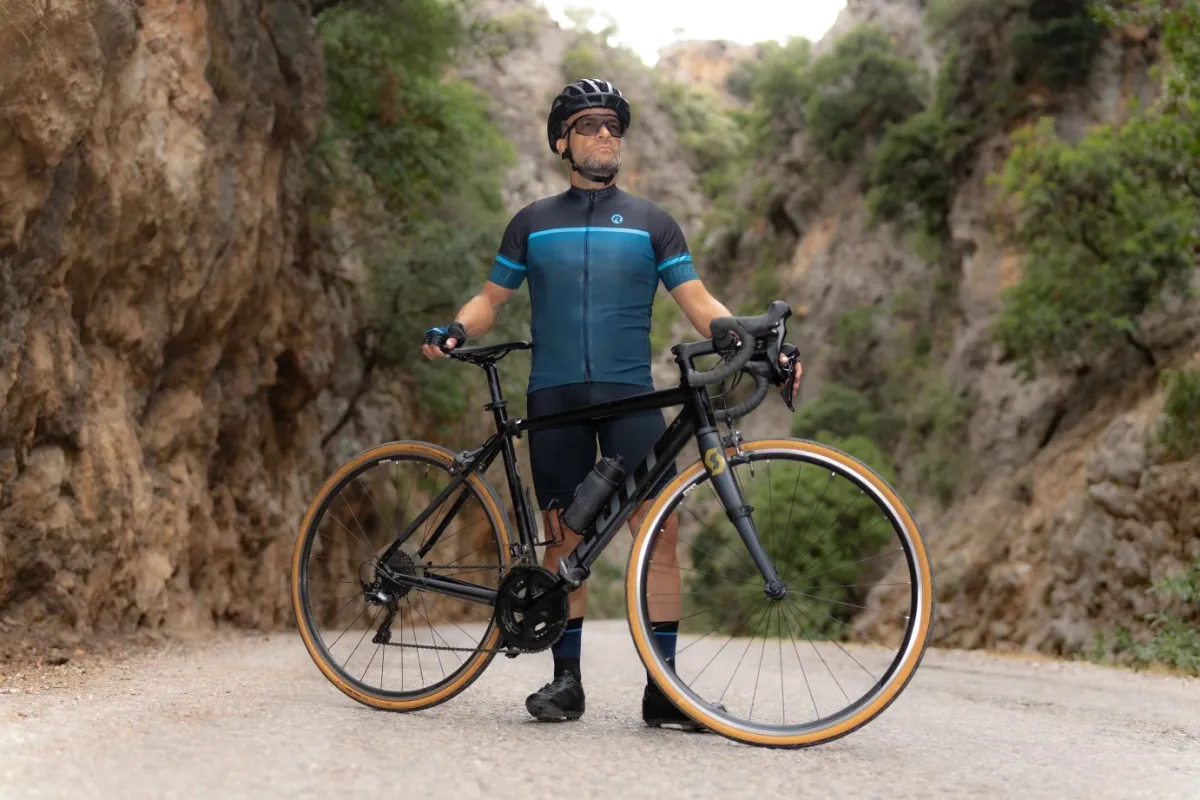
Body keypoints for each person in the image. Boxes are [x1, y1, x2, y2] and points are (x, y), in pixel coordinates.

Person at [421, 78, 802, 729]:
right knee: (563, 541)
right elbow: (490, 300)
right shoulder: (532, 223)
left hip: (631, 396)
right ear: (562, 141)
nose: (605, 135)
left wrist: (740, 333)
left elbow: (698, 301)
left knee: (660, 537)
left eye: (613, 127)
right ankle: (565, 682)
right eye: (590, 125)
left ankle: (665, 691)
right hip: (555, 397)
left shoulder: (654, 223)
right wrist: (457, 327)